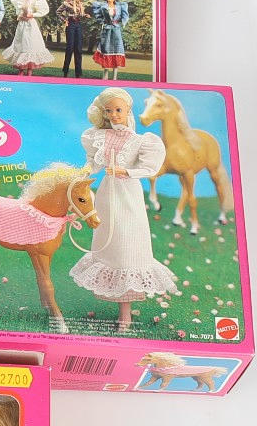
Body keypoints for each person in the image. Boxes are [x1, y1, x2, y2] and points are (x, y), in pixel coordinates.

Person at [69, 88, 179, 329]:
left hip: (128, 196)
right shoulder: (99, 136)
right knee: (111, 245)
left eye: (118, 110)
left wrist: (126, 171)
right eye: (109, 111)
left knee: (128, 248)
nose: (114, 115)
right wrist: (83, 172)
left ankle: (125, 314)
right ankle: (120, 307)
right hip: (107, 195)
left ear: (128, 109)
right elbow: (93, 163)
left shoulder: (141, 141)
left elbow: (150, 168)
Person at [5, 0, 53, 75]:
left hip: (31, 24)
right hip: (22, 24)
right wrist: (20, 15)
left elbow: (43, 10)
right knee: (21, 44)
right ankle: (21, 69)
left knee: (31, 44)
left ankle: (30, 69)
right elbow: (18, 10)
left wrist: (33, 14)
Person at [91, 0, 130, 79]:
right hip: (106, 30)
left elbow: (125, 16)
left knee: (117, 50)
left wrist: (122, 23)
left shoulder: (120, 6)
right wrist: (103, 23)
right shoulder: (102, 6)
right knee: (106, 50)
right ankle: (105, 77)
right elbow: (98, 17)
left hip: (116, 30)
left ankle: (114, 78)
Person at [57, 0, 90, 78]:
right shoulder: (66, 3)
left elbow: (80, 14)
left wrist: (85, 15)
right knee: (70, 48)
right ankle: (65, 71)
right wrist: (65, 20)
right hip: (70, 25)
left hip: (78, 25)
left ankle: (78, 73)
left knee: (78, 49)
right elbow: (58, 12)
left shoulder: (80, 3)